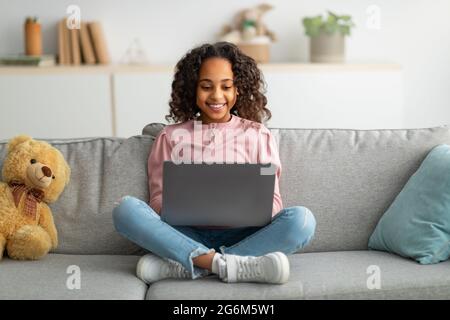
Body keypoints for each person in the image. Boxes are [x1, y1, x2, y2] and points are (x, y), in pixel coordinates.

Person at [112, 42, 316, 285]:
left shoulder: (258, 135)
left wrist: (243, 210)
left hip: (245, 235)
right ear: (192, 90)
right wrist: (186, 206)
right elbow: (157, 201)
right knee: (125, 210)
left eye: (226, 86)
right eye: (206, 87)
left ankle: (193, 265)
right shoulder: (170, 136)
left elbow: (274, 202)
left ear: (238, 89)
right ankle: (226, 265)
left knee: (302, 220)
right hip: (184, 233)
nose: (217, 96)